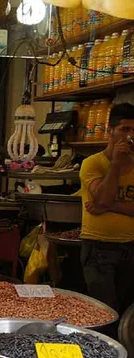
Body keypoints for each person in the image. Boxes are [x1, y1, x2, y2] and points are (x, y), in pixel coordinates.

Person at [80, 103, 134, 314]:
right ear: (110, 130)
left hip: (130, 246)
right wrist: (116, 165)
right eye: (125, 129)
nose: (130, 136)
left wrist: (109, 206)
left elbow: (103, 203)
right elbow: (102, 198)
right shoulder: (92, 164)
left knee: (128, 312)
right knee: (105, 311)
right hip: (99, 247)